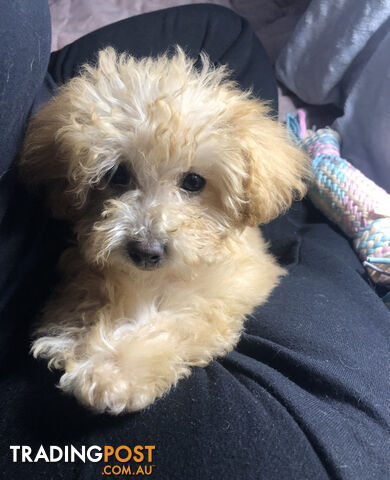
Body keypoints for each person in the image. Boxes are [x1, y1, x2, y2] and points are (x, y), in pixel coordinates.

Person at [1, 1, 389, 479]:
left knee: (226, 30)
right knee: (357, 437)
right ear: (74, 182)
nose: (151, 232)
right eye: (118, 176)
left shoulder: (245, 161)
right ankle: (321, 215)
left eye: (191, 183)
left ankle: (309, 186)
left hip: (30, 77)